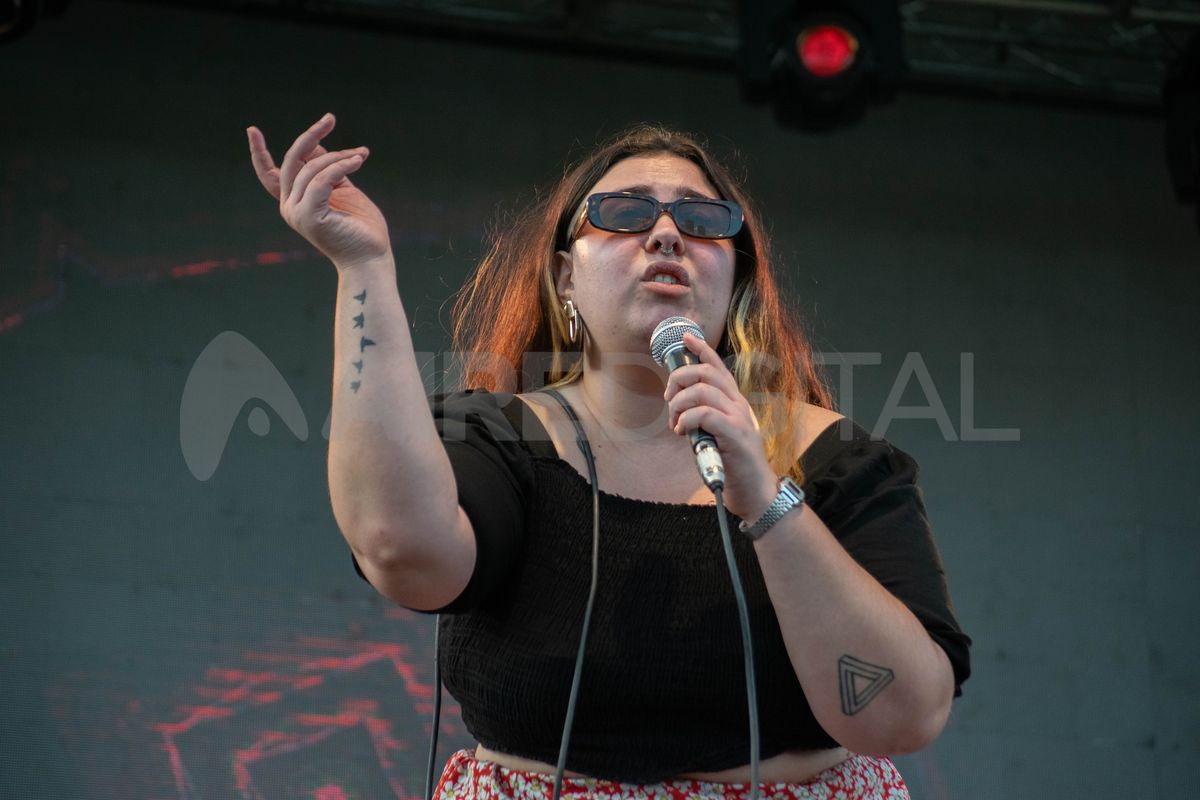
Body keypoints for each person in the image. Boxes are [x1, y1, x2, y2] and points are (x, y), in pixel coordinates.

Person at [247, 113, 971, 800]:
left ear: (737, 278)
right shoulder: (502, 438)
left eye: (701, 220)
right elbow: (402, 555)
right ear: (565, 278)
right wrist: (363, 266)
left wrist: (767, 496)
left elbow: (899, 717)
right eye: (625, 214)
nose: (665, 234)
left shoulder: (835, 459)